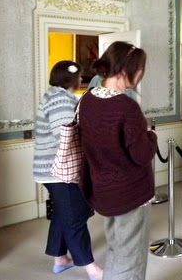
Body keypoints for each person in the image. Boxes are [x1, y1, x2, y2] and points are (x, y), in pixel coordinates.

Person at [78, 41, 157, 280]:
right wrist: (151, 137)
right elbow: (141, 155)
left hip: (102, 189)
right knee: (131, 256)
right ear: (126, 70)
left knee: (116, 246)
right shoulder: (127, 107)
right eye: (140, 69)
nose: (141, 74)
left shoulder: (87, 100)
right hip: (129, 192)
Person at [32, 61, 103, 280]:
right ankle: (92, 269)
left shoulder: (56, 96)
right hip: (59, 172)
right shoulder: (60, 99)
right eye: (79, 75)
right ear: (70, 78)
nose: (81, 79)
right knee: (75, 217)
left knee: (63, 213)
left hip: (51, 169)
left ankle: (60, 259)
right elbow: (66, 133)